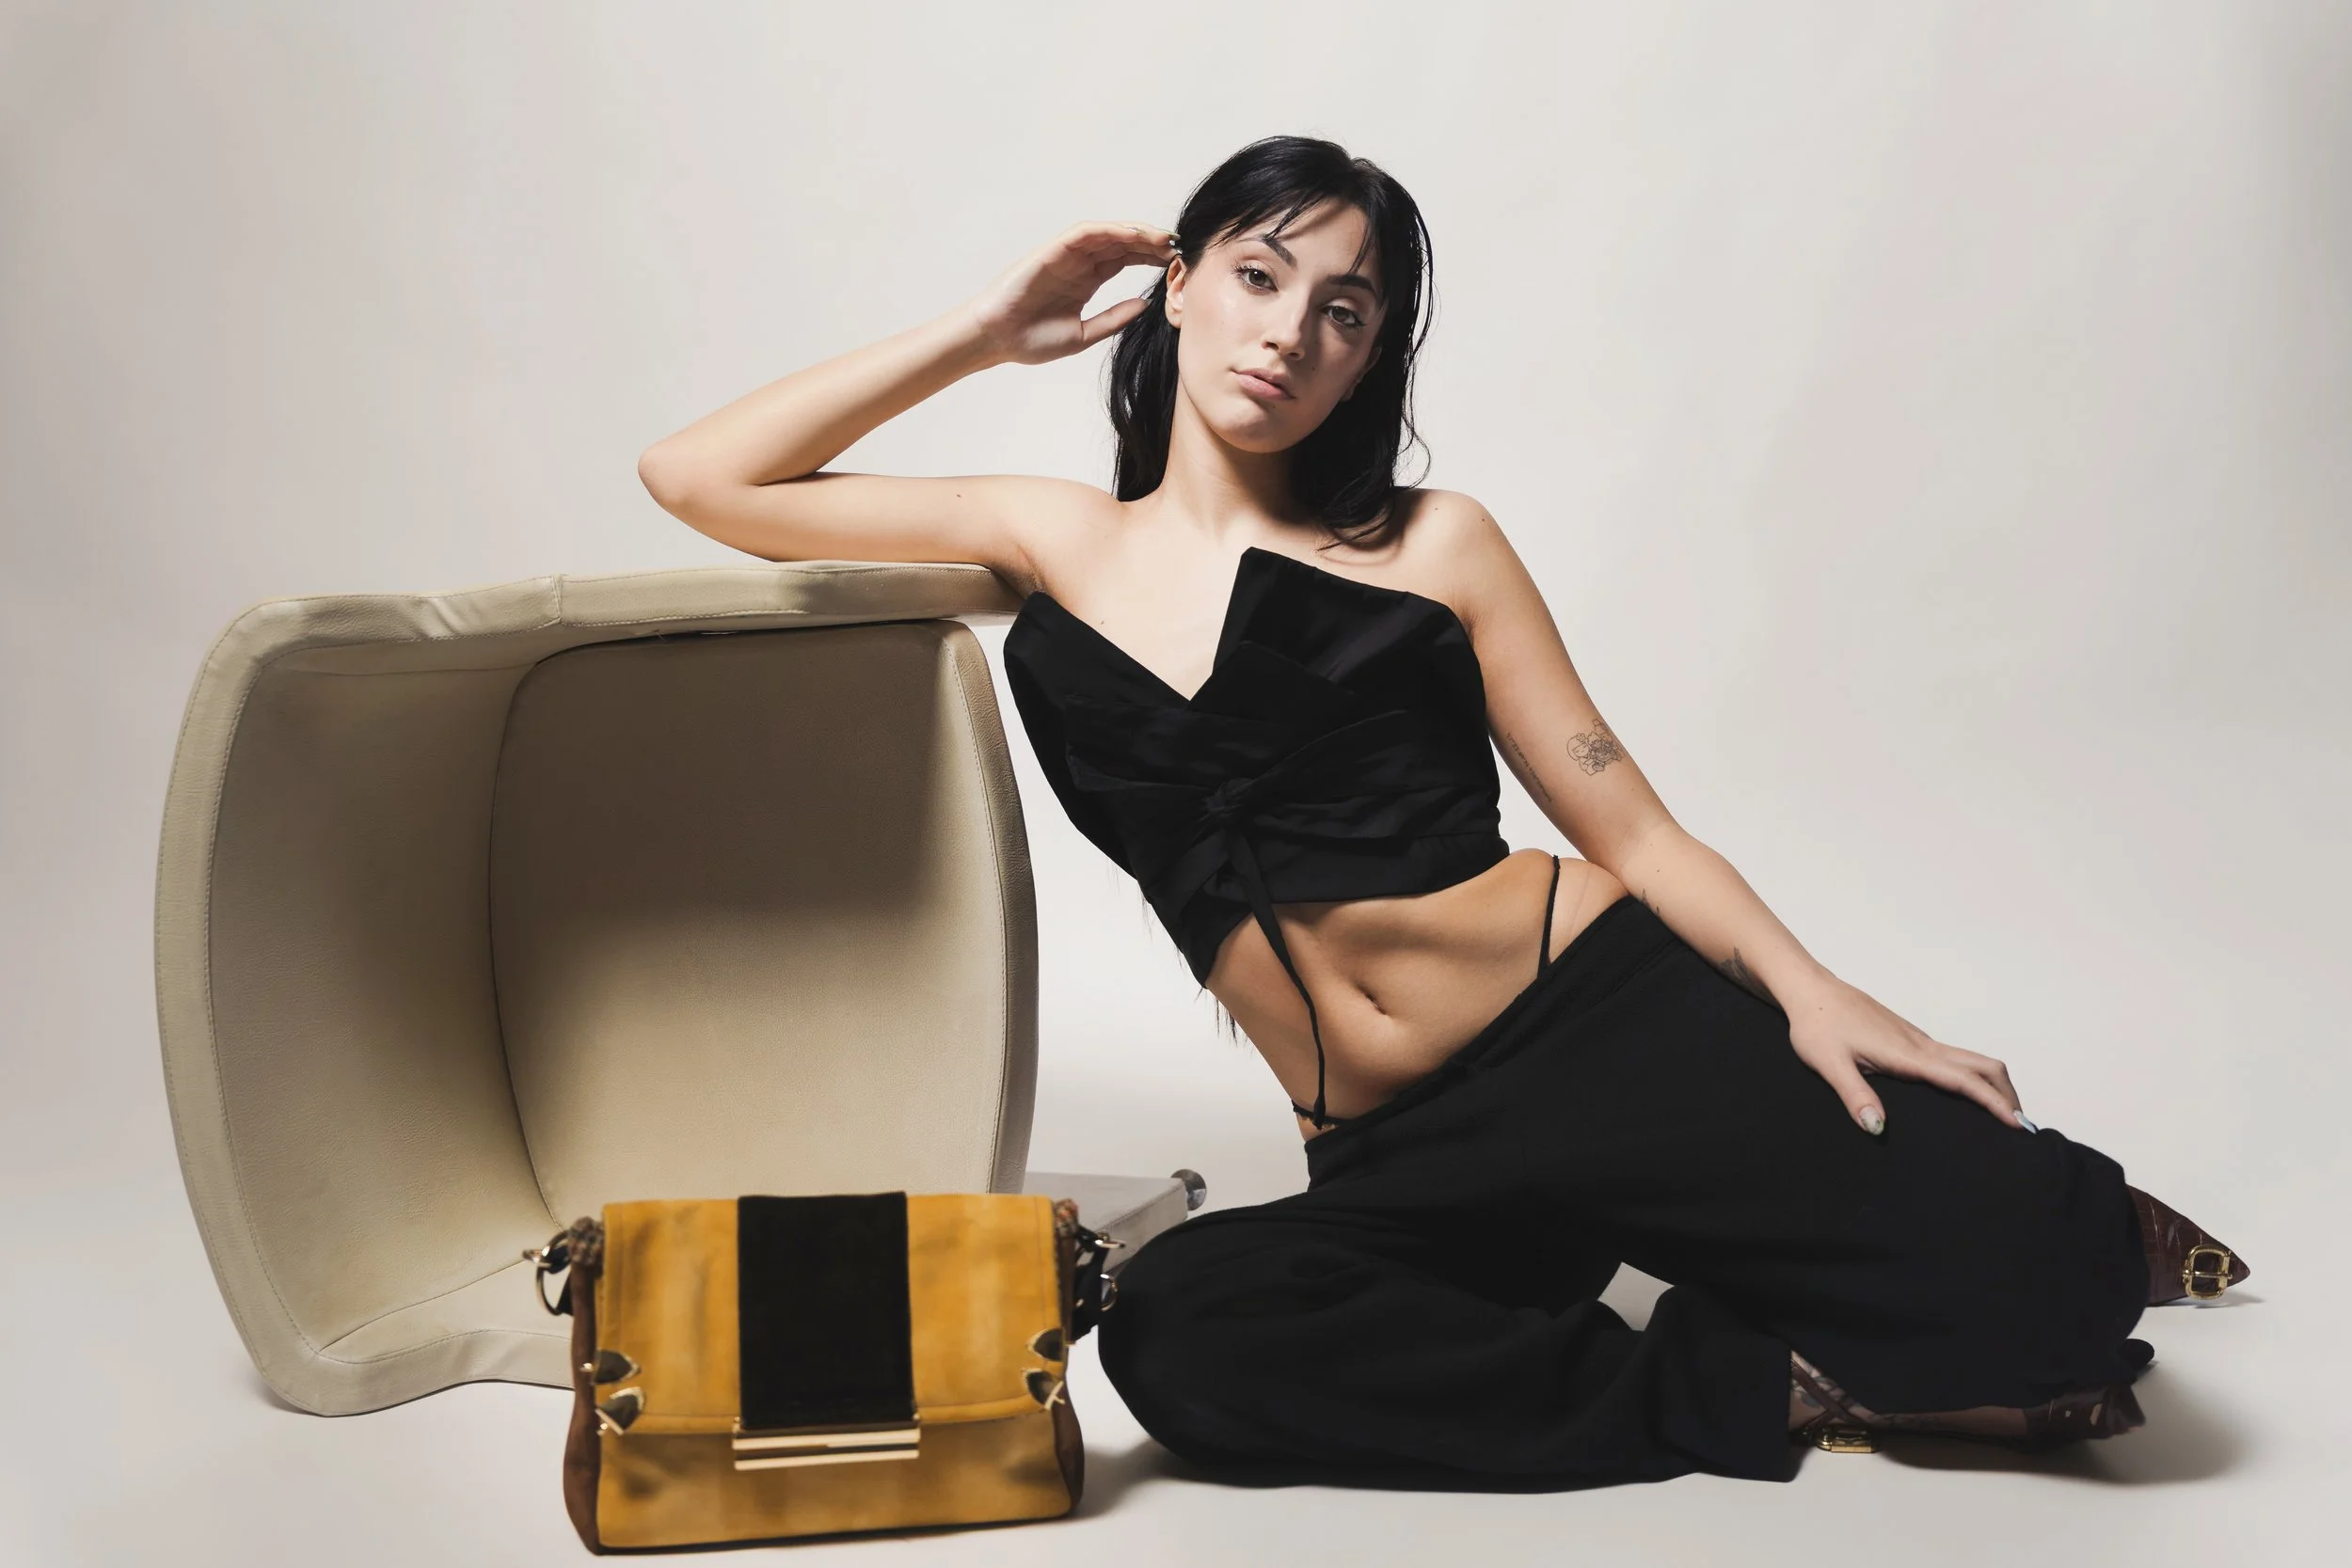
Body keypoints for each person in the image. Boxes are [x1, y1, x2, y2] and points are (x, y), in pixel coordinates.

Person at [636, 135, 2248, 1484]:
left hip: (1597, 1030)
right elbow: (699, 476)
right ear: (1178, 283)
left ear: (1371, 357)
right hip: (1393, 1150)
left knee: (2050, 1296)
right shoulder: (1048, 535)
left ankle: (2089, 1222)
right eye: (1259, 275)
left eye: (1344, 312)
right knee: (1181, 1333)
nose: (1289, 332)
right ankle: (1772, 1386)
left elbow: (1632, 827)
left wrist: (1814, 991)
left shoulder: (1432, 544)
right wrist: (991, 330)